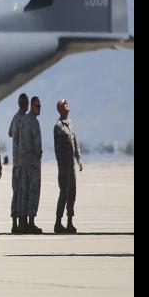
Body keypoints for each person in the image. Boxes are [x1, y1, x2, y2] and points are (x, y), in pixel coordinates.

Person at [53, 99, 84, 235]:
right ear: (60, 108)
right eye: (65, 104)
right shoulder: (58, 126)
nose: (67, 105)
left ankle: (70, 221)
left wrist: (79, 159)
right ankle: (58, 222)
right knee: (64, 193)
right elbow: (57, 149)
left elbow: (75, 141)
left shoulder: (70, 124)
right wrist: (61, 167)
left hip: (71, 165)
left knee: (72, 193)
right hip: (64, 166)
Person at [18, 97, 43, 235]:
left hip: (23, 161)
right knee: (33, 191)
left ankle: (22, 222)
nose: (39, 108)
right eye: (37, 106)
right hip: (32, 162)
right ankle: (31, 222)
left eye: (40, 106)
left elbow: (16, 138)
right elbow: (37, 143)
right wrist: (38, 153)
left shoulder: (22, 120)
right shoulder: (33, 122)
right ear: (32, 106)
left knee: (24, 191)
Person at [8, 94, 29, 234]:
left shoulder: (15, 118)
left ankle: (15, 223)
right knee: (23, 192)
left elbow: (10, 133)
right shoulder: (24, 119)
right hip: (22, 162)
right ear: (25, 104)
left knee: (16, 192)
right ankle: (22, 222)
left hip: (16, 161)